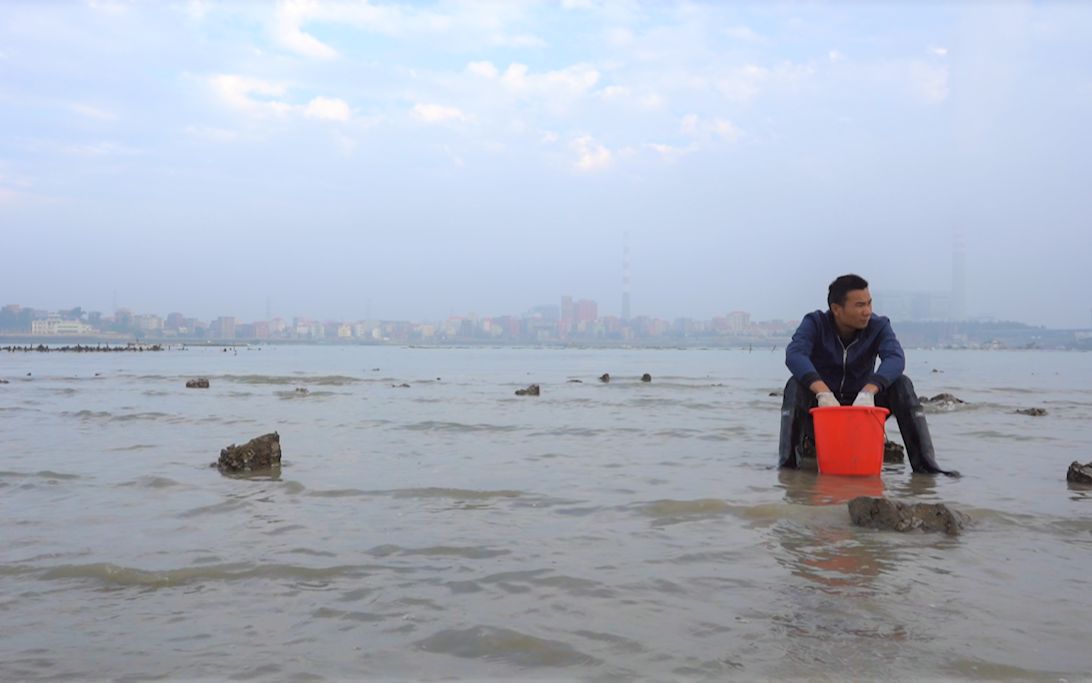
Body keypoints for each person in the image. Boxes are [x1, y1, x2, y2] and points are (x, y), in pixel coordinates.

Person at [777, 274, 959, 476]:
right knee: (795, 385)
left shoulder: (878, 326)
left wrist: (869, 390)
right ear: (837, 309)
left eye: (869, 303)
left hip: (863, 408)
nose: (867, 311)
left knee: (902, 384)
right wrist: (822, 392)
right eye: (859, 305)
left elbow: (895, 358)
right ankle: (787, 465)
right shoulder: (815, 323)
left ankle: (926, 465)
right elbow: (794, 355)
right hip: (822, 411)